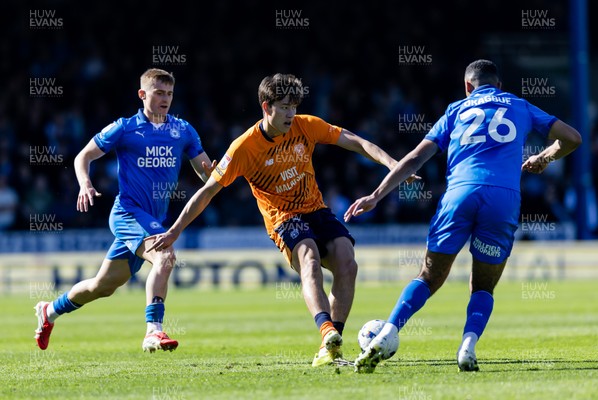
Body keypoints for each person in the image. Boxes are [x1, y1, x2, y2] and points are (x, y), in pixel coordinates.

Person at [147, 73, 413, 367]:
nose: (291, 113)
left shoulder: (306, 126)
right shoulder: (243, 148)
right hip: (283, 218)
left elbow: (356, 142)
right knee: (308, 256)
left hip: (317, 209)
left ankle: (332, 345)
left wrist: (393, 164)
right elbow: (207, 192)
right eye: (284, 107)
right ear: (266, 107)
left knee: (347, 262)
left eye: (294, 106)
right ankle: (326, 331)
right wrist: (175, 230)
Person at [344, 59, 582, 373]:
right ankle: (467, 345)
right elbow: (573, 138)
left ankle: (388, 332)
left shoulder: (456, 110)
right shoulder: (520, 105)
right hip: (502, 197)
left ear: (468, 87)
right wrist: (543, 157)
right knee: (483, 286)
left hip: (459, 194)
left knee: (428, 277)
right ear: (499, 85)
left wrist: (376, 195)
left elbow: (415, 158)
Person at [34, 68, 215, 352]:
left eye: (169, 93)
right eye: (159, 93)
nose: (165, 98)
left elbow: (206, 173)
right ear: (142, 95)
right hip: (128, 212)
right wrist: (84, 184)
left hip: (152, 219)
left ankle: (49, 311)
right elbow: (84, 156)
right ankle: (153, 331)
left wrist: (214, 174)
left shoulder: (184, 130)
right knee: (165, 255)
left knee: (102, 286)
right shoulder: (125, 127)